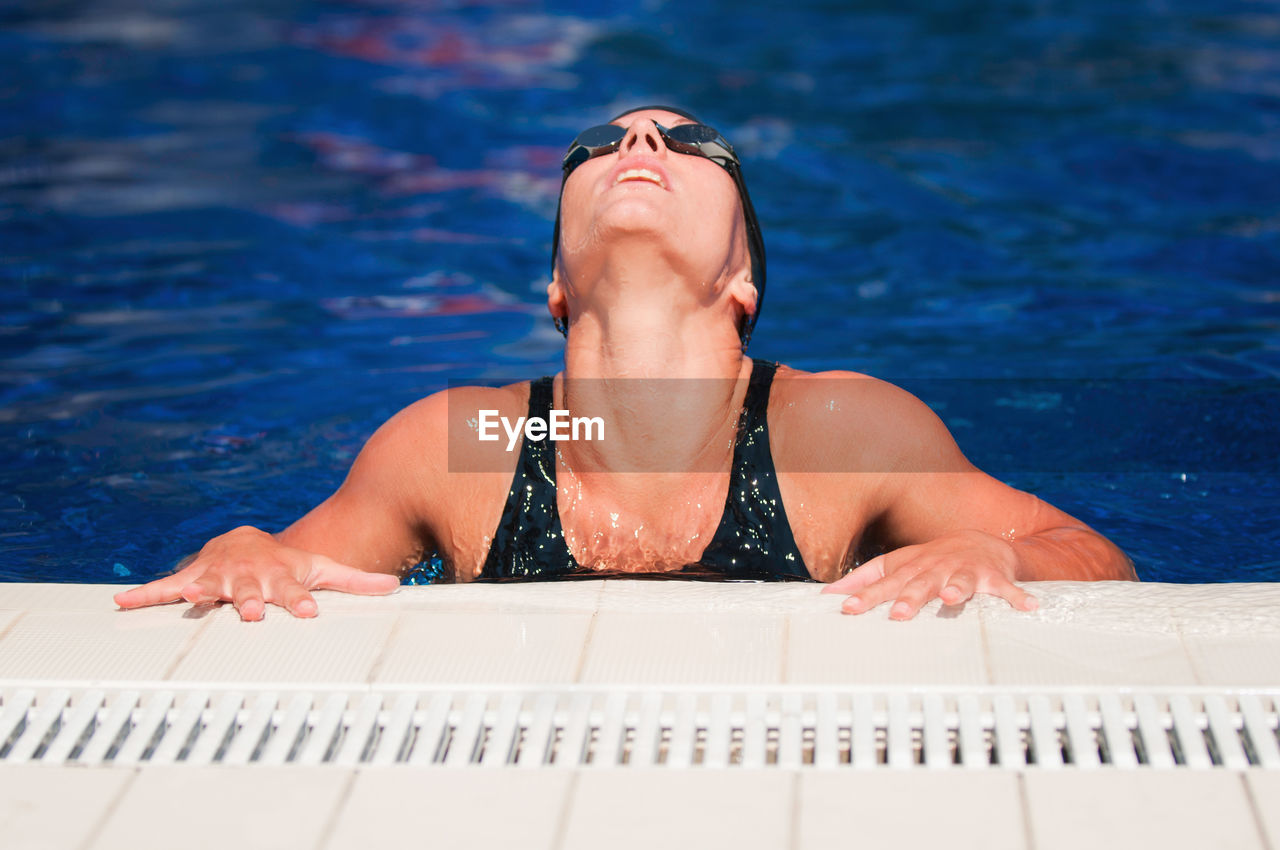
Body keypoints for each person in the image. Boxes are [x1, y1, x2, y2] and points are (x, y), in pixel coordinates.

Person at [114, 106, 1135, 622]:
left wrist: (999, 554)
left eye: (693, 143)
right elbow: (278, 558)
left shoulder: (833, 434)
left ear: (742, 276)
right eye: (597, 144)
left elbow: (1089, 554)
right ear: (554, 282)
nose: (639, 137)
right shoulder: (468, 444)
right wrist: (242, 543)